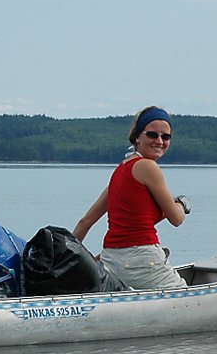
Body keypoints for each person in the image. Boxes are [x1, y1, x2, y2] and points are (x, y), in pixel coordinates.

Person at [73, 106, 191, 291]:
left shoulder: (121, 171)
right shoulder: (148, 167)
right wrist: (182, 204)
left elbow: (85, 222)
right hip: (142, 259)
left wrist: (69, 261)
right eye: (152, 135)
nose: (159, 141)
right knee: (187, 298)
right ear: (137, 137)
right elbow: (176, 219)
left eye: (165, 137)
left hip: (111, 260)